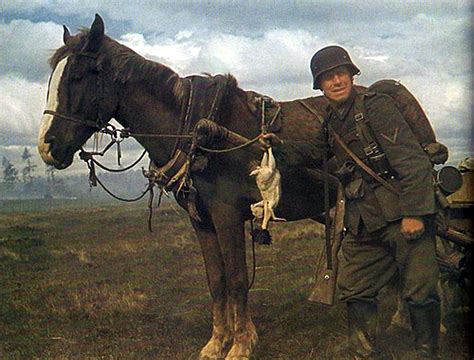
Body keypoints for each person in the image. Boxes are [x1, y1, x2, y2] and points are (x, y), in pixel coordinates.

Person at [263, 45, 441, 359]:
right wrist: (277, 146)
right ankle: (364, 355)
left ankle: (427, 353)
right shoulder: (332, 122)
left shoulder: (377, 107)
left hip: (402, 214)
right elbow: (312, 153)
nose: (335, 81)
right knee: (355, 289)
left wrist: (414, 214)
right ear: (320, 87)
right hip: (363, 222)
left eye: (340, 73)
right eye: (327, 78)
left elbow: (413, 164)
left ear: (351, 75)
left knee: (419, 293)